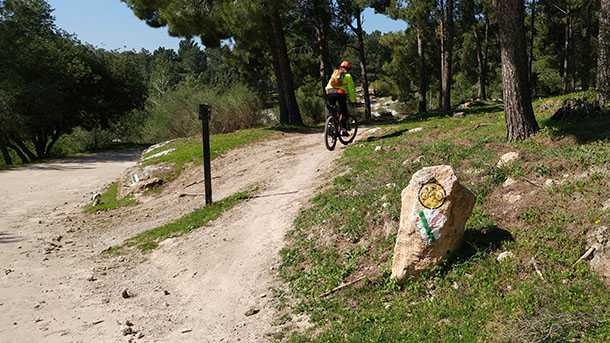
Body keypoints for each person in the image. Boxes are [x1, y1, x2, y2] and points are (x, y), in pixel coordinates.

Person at [325, 60, 356, 136]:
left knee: (332, 110)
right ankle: (343, 129)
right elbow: (351, 89)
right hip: (339, 93)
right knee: (344, 111)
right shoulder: (348, 76)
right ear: (348, 68)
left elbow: (330, 84)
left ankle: (330, 125)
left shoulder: (335, 72)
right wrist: (353, 100)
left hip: (329, 92)